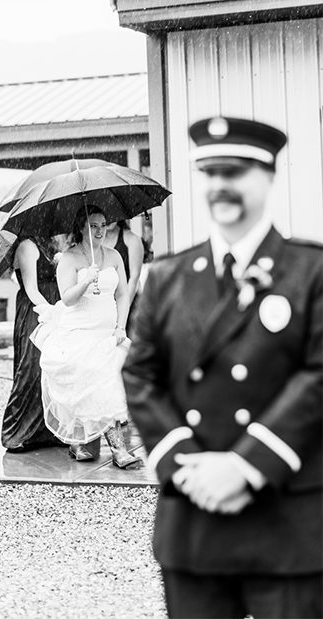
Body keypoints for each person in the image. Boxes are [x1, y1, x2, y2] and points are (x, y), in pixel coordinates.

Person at [124, 116, 321, 617]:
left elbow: (318, 374)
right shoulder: (167, 277)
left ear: (268, 176)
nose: (220, 185)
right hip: (194, 520)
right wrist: (183, 465)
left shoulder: (311, 271)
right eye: (210, 173)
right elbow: (140, 375)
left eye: (235, 172)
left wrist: (246, 464)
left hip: (288, 523)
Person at [32, 210, 142, 468]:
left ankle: (118, 449)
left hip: (107, 332)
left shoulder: (114, 256)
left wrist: (120, 327)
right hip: (79, 331)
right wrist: (85, 281)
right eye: (93, 226)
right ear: (81, 227)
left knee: (110, 383)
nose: (100, 230)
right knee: (90, 383)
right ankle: (83, 441)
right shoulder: (69, 258)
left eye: (103, 225)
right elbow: (67, 298)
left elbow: (123, 294)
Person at [0, 234, 66, 451]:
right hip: (35, 311)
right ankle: (14, 432)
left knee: (52, 368)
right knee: (31, 367)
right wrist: (51, 312)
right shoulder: (27, 246)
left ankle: (45, 429)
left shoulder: (49, 243)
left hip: (53, 307)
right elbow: (31, 289)